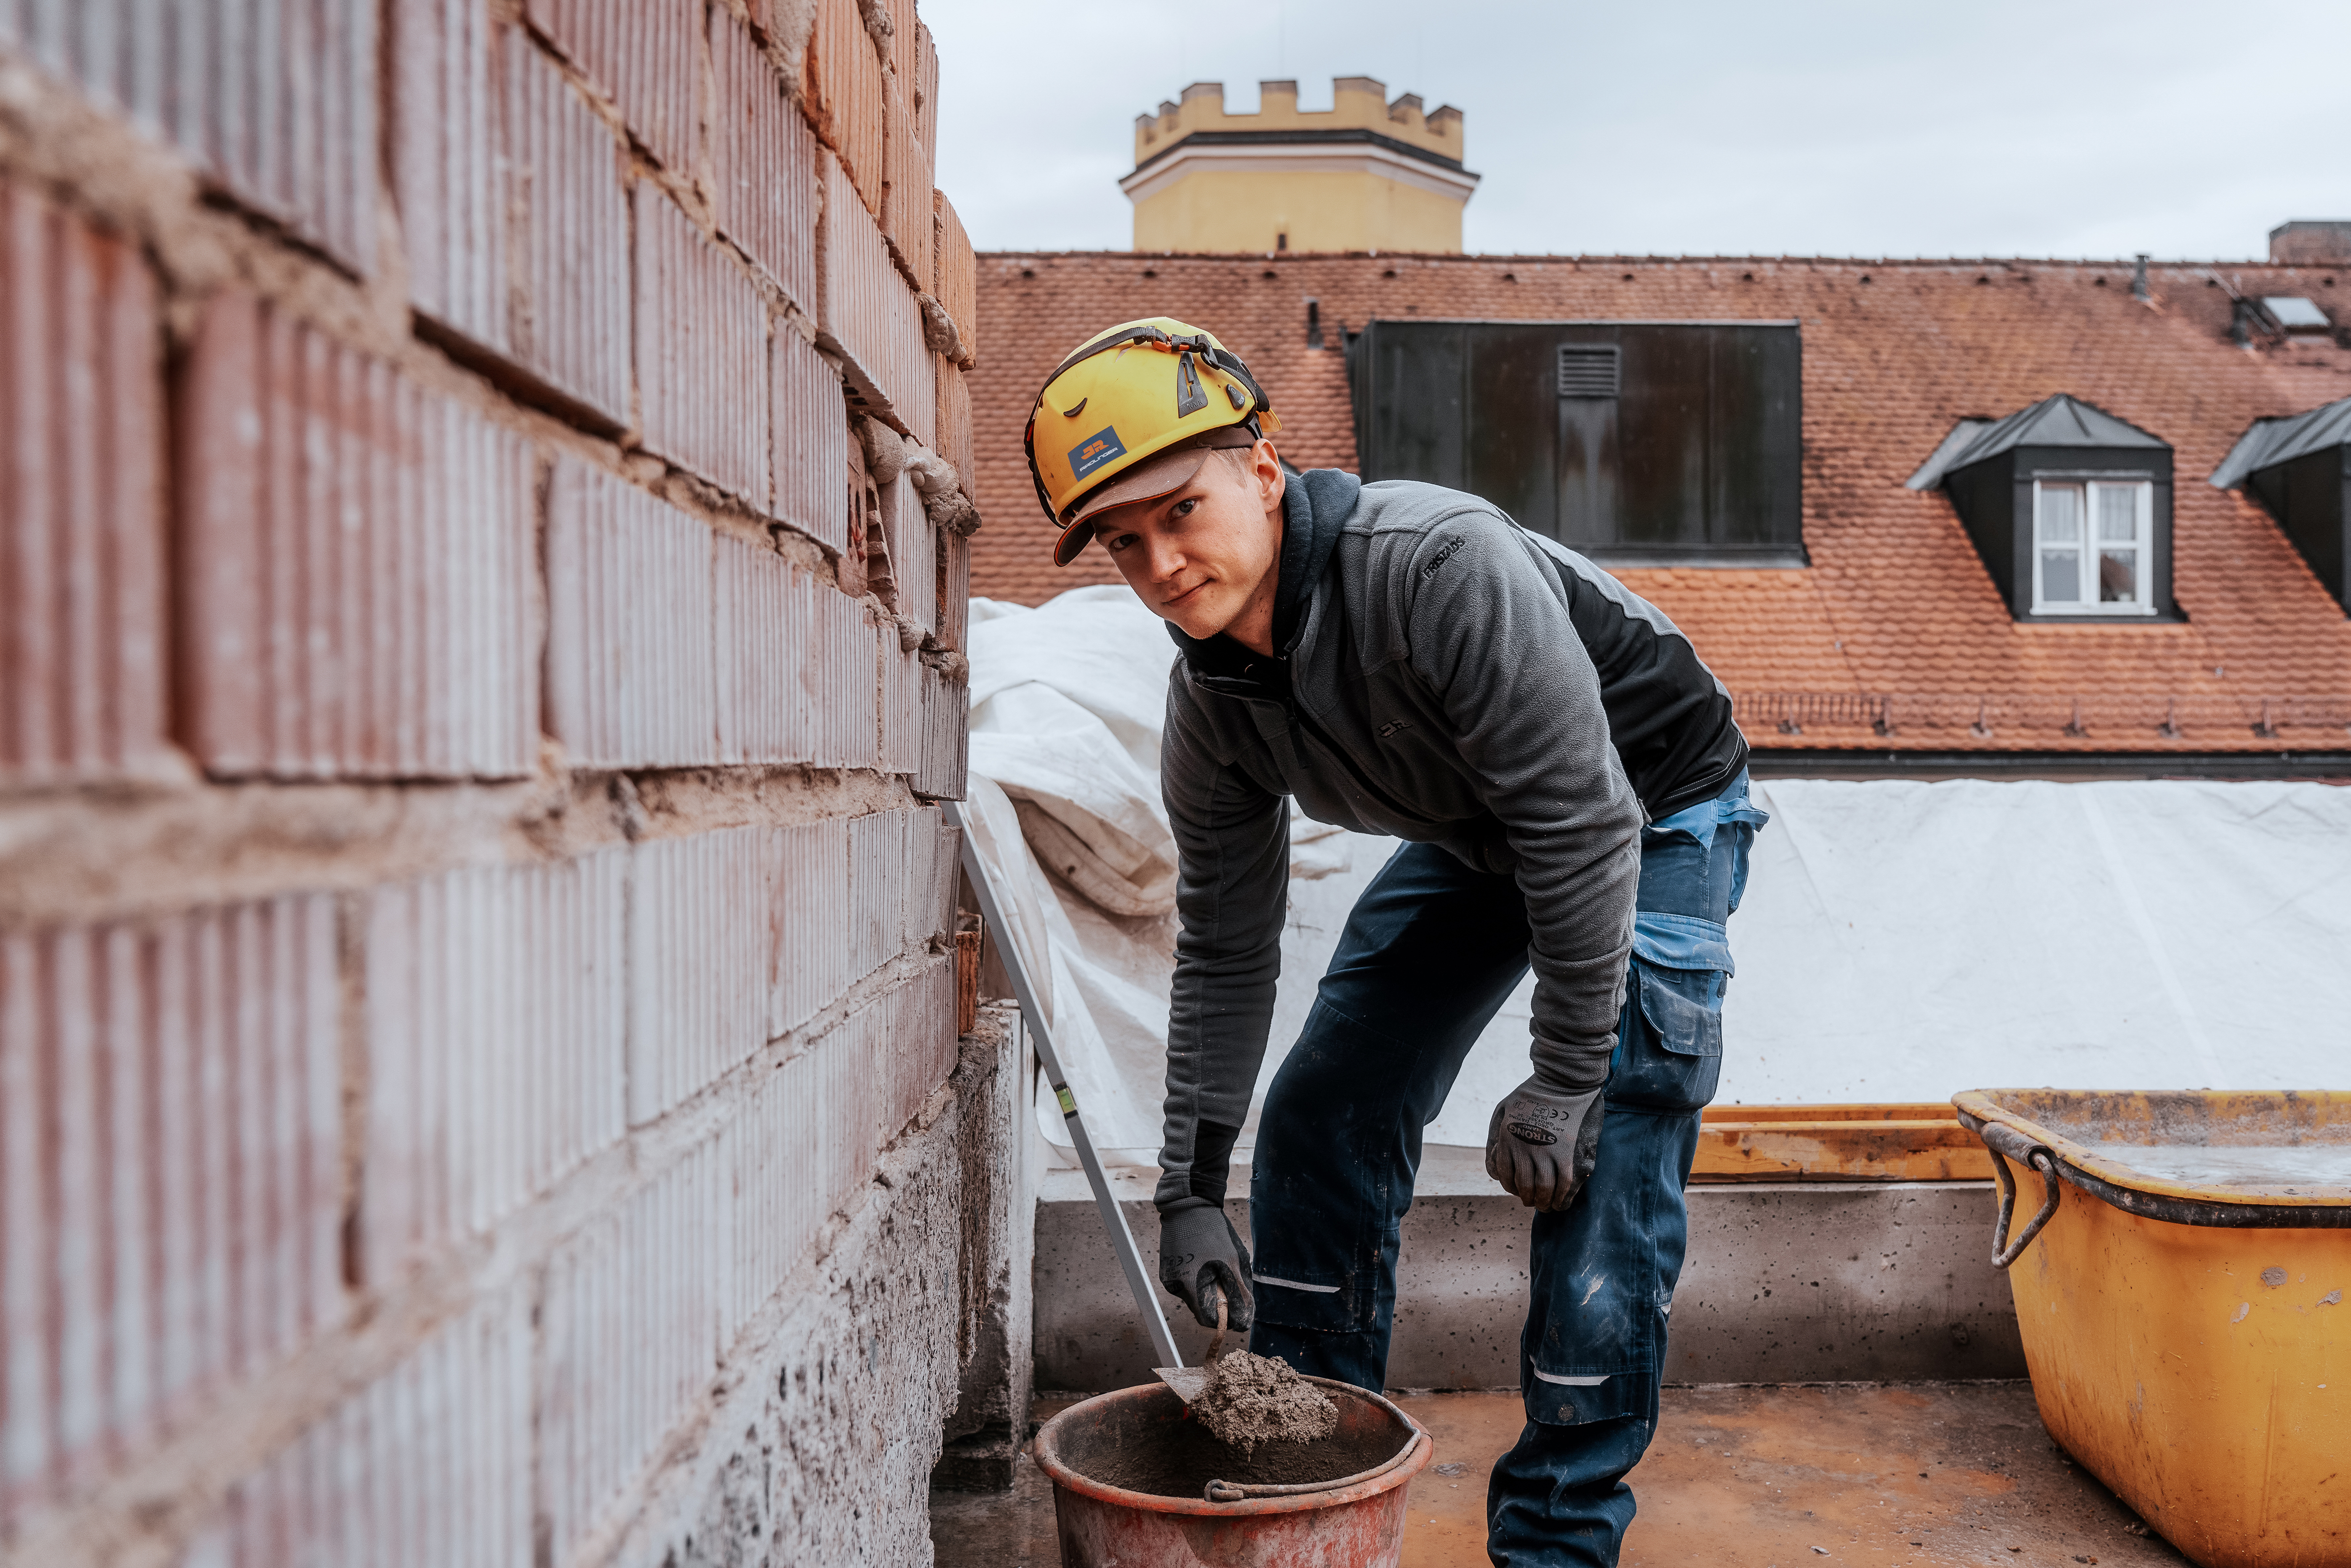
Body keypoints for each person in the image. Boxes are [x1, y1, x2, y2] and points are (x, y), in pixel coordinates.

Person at [1023, 317, 1766, 1565]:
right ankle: (1303, 1466)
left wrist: (1570, 1070)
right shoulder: (1213, 703)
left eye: (1180, 512)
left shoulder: (1436, 567)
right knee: (1324, 1110)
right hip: (1484, 828)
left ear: (1263, 473)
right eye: (1123, 541)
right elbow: (1223, 942)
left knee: (1606, 1151)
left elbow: (1582, 823)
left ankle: (1556, 1542)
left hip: (1649, 805)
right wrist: (1192, 1188)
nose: (1158, 563)